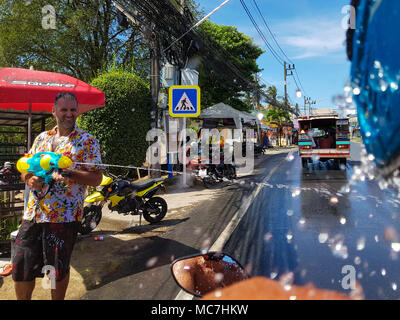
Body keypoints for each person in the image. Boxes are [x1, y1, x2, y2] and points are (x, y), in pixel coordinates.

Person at [12, 92, 103, 300]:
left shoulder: (87, 141)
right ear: (54, 112)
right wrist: (28, 178)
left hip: (63, 216)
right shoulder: (41, 138)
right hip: (33, 213)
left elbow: (97, 178)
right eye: (64, 109)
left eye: (73, 110)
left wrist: (69, 173)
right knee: (21, 264)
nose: (69, 114)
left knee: (55, 269)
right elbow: (27, 167)